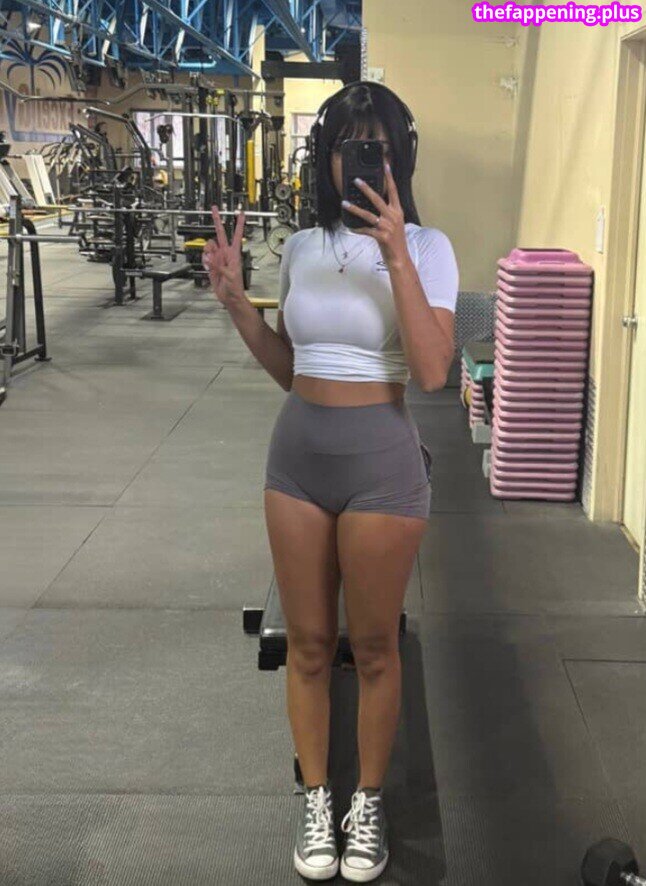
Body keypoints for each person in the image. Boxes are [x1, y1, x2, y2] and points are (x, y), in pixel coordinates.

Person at [202, 81, 459, 883]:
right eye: (348, 145)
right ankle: (317, 797)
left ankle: (367, 801)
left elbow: (431, 371)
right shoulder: (303, 248)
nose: (361, 157)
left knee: (375, 647)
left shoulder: (429, 248)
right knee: (310, 646)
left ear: (399, 155)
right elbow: (293, 368)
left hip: (383, 464)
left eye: (375, 144)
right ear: (329, 158)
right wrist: (237, 305)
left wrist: (395, 253)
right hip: (298, 461)